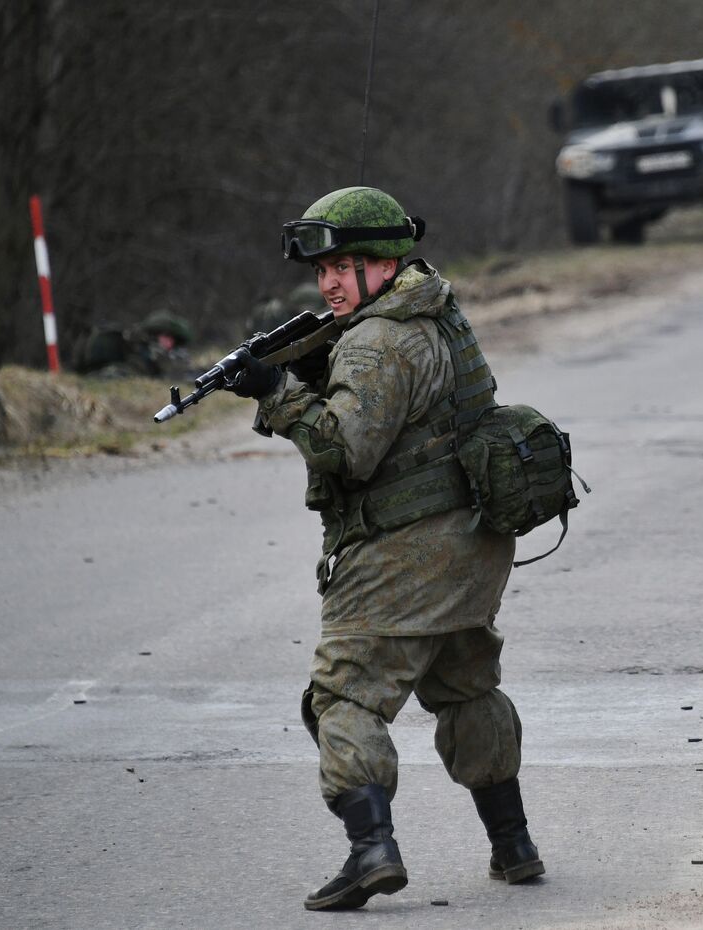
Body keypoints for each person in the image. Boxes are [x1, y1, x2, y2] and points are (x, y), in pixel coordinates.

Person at [221, 186, 544, 911]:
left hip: (406, 550)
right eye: (323, 270)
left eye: (348, 264)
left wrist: (277, 393)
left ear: (386, 262)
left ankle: (371, 851)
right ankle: (514, 844)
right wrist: (310, 376)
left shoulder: (376, 339)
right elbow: (414, 416)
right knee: (466, 685)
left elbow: (345, 452)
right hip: (470, 541)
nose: (330, 282)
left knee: (342, 697)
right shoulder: (434, 309)